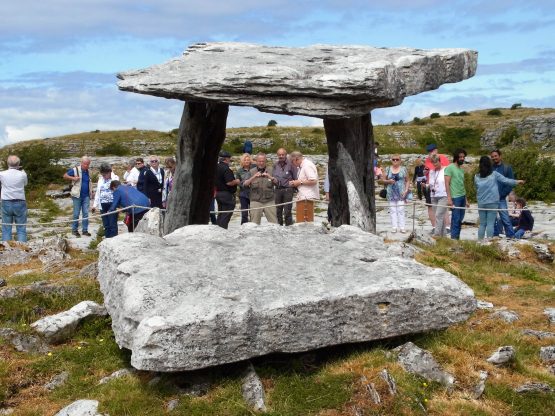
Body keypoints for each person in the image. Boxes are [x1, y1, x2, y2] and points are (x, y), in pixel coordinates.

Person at [474, 156, 523, 240]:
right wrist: (517, 182)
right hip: (493, 202)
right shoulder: (494, 174)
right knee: (490, 223)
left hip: (481, 202)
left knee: (482, 224)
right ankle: (489, 241)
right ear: (489, 164)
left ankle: (479, 241)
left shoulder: (476, 176)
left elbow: (476, 187)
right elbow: (506, 180)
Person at [244, 152, 278, 224]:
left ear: (265, 161)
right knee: (254, 224)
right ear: (256, 161)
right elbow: (244, 184)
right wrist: (253, 177)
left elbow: (277, 183)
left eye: (263, 161)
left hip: (269, 201)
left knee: (274, 223)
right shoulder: (251, 171)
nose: (261, 163)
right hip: (255, 201)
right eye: (259, 161)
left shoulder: (272, 170)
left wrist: (270, 177)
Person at [0, 155, 28, 242]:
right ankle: (23, 250)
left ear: (7, 163)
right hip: (20, 202)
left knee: (6, 229)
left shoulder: (2, 174)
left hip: (6, 202)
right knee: (21, 228)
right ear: (19, 164)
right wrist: (20, 170)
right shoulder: (23, 174)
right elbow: (25, 184)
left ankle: (6, 250)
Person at [63, 155, 93, 237]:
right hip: (77, 195)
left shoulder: (89, 171)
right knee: (76, 213)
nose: (86, 166)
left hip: (86, 195)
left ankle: (85, 230)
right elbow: (65, 175)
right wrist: (73, 178)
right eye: (85, 164)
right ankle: (74, 230)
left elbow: (89, 182)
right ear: (81, 163)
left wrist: (92, 192)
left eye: (88, 164)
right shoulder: (75, 170)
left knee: (86, 213)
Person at [381, 154, 410, 233]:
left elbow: (407, 180)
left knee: (401, 209)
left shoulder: (404, 169)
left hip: (401, 192)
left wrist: (406, 190)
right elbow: (383, 180)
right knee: (392, 210)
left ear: (400, 160)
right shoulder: (388, 169)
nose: (395, 161)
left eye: (397, 159)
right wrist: (388, 181)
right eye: (393, 159)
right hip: (391, 192)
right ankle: (394, 227)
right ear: (391, 160)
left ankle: (402, 227)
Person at [490, 149, 516, 238]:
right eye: (492, 157)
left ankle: (511, 236)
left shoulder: (507, 168)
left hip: (501, 198)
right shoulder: (489, 168)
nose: (494, 158)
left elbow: (510, 183)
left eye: (495, 156)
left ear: (500, 156)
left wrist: (502, 194)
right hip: (491, 198)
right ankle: (495, 236)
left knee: (505, 218)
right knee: (492, 219)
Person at [445, 148, 468, 240]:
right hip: (455, 197)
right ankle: (453, 238)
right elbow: (447, 183)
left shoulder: (461, 169)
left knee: (460, 219)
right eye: (460, 157)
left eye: (463, 157)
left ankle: (457, 237)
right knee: (455, 218)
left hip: (462, 196)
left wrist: (466, 199)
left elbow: (462, 185)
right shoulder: (450, 167)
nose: (462, 158)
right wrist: (449, 198)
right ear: (456, 157)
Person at [289, 151, 319, 222]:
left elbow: (313, 180)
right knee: (300, 219)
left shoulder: (307, 166)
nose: (292, 164)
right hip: (303, 196)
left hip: (307, 197)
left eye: (292, 162)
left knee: (305, 220)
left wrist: (299, 182)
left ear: (296, 159)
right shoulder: (302, 166)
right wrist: (295, 182)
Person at [92, 163, 120, 238]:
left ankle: (114, 240)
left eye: (104, 175)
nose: (103, 176)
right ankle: (107, 239)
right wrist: (94, 205)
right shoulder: (100, 179)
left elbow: (118, 192)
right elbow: (98, 192)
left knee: (112, 224)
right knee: (106, 225)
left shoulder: (115, 178)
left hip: (112, 204)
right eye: (102, 174)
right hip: (102, 204)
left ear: (109, 172)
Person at [215, 151, 240, 229]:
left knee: (221, 214)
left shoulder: (215, 167)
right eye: (229, 158)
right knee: (226, 215)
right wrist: (237, 181)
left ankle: (218, 229)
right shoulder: (226, 169)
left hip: (218, 193)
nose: (229, 160)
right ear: (226, 159)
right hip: (226, 194)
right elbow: (229, 182)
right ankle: (222, 230)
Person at [273, 148, 296, 226]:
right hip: (278, 190)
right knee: (278, 210)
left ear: (286, 155)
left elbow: (295, 177)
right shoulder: (275, 165)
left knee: (287, 211)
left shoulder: (291, 164)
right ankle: (279, 226)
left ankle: (288, 227)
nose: (281, 156)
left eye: (283, 154)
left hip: (288, 190)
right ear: (277, 155)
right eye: (279, 155)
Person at [427, 154, 449, 237]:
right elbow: (431, 183)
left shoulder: (446, 170)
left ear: (440, 161)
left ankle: (436, 234)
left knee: (438, 215)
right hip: (433, 195)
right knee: (440, 216)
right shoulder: (432, 171)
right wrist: (425, 185)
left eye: (436, 162)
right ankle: (444, 236)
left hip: (443, 195)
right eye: (433, 163)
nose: (435, 164)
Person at [236, 153, 253, 225]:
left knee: (253, 212)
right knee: (244, 213)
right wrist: (244, 183)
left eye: (248, 160)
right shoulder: (239, 171)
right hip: (243, 194)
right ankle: (243, 227)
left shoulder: (253, 169)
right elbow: (238, 182)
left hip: (253, 193)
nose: (247, 161)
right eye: (245, 160)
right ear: (242, 161)